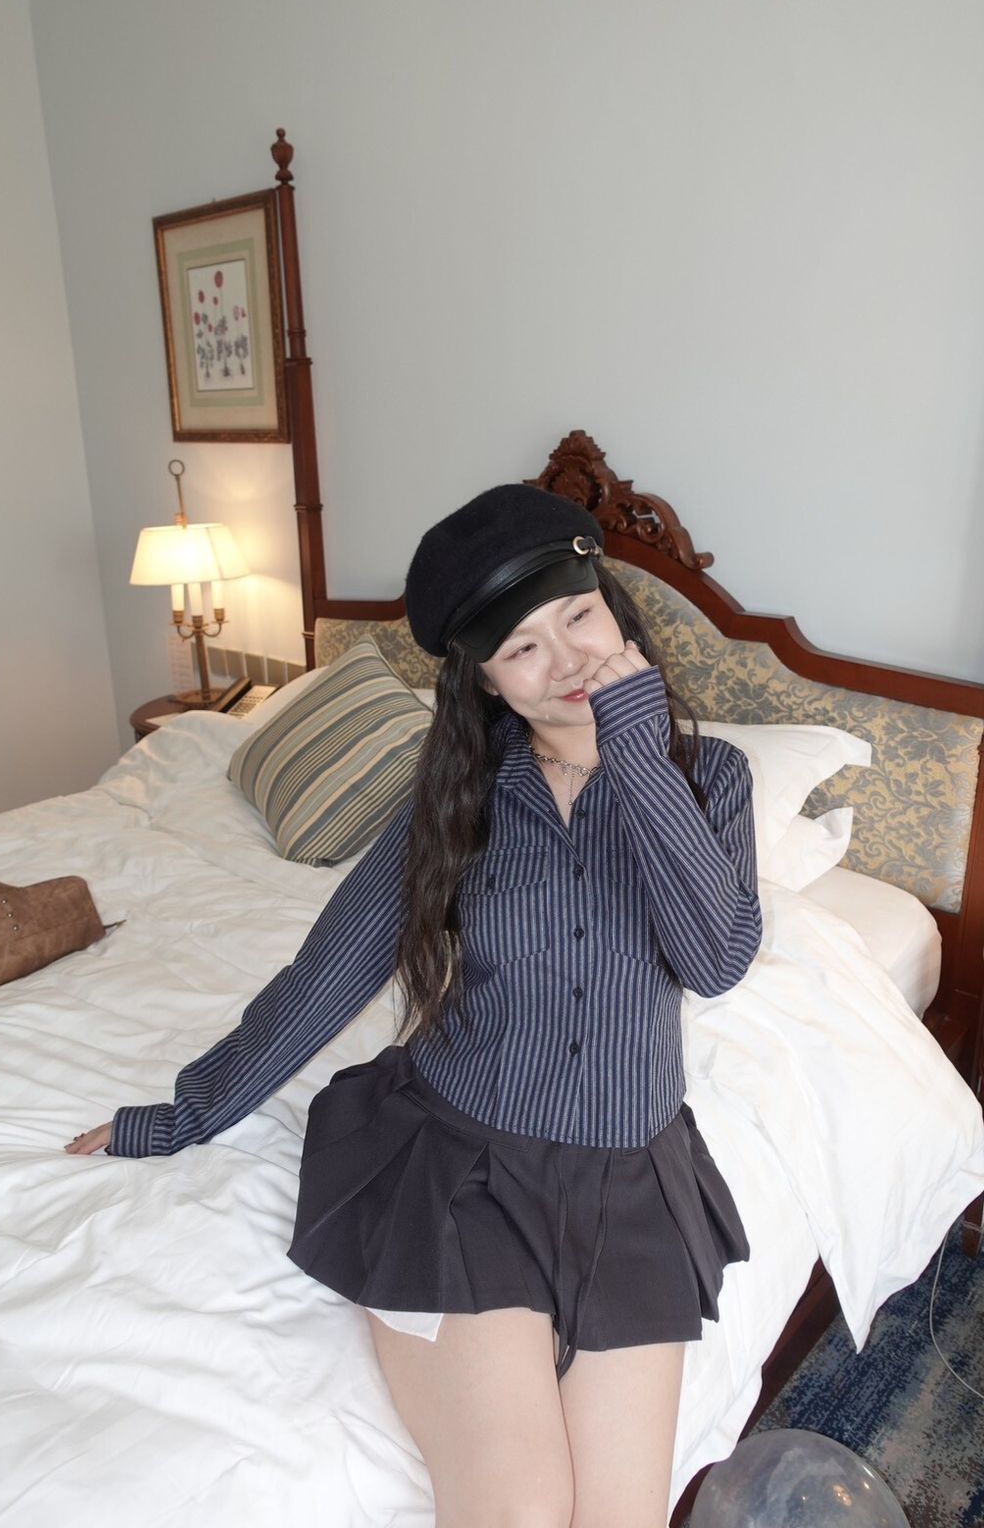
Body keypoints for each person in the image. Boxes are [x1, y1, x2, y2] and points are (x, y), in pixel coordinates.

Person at [66, 484, 762, 1528]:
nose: (568, 662)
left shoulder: (713, 779)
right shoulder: (455, 800)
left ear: (612, 605)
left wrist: (636, 751)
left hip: (628, 1186)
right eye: (522, 648)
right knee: (520, 1507)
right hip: (460, 1175)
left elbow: (715, 958)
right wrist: (185, 1113)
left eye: (579, 616)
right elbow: (327, 974)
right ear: (484, 678)